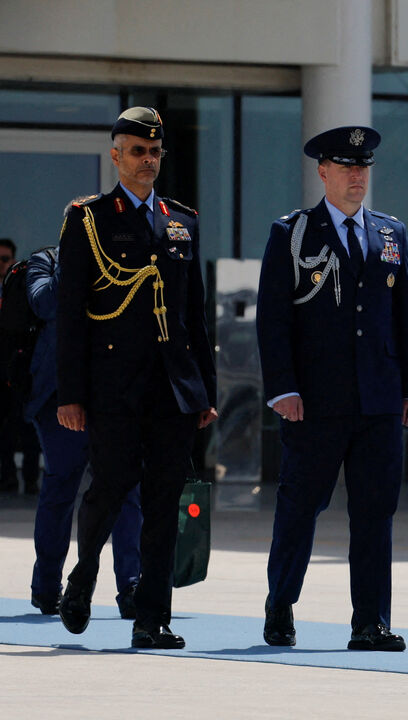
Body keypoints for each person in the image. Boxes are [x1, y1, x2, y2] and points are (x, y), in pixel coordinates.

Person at [55, 107, 218, 649]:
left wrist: (205, 392)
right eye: (137, 151)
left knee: (164, 500)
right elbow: (71, 314)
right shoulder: (89, 219)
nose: (147, 160)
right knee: (109, 487)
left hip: (173, 386)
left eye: (154, 152)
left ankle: (153, 618)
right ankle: (82, 579)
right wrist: (72, 394)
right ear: (116, 156)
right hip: (114, 387)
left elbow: (196, 314)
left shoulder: (182, 220)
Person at [257, 125, 408, 652]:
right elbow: (273, 319)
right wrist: (283, 387)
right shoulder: (292, 233)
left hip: (379, 398)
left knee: (376, 513)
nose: (357, 176)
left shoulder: (391, 233)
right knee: (300, 507)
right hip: (315, 401)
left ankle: (370, 622)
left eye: (364, 167)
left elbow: (407, 317)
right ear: (323, 172)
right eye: (347, 167)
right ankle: (281, 606)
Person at [28, 201, 142, 618]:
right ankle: (46, 587)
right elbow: (46, 305)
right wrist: (73, 262)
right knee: (61, 489)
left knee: (127, 491)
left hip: (113, 396)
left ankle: (131, 586)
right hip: (59, 398)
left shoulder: (115, 263)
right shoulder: (44, 262)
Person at [0, 236, 42, 495]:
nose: (0, 265)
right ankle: (7, 478)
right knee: (4, 428)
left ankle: (29, 479)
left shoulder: (21, 284)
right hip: (1, 366)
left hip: (21, 365)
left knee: (27, 426)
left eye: (5, 259)